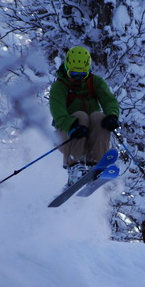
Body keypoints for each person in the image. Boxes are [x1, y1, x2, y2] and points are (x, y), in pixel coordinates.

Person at [49, 46, 120, 186]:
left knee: (99, 117)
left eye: (83, 74)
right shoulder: (59, 86)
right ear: (67, 69)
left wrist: (112, 116)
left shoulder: (95, 82)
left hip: (91, 137)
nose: (78, 78)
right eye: (74, 73)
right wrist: (71, 125)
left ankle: (96, 164)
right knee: (81, 117)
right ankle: (75, 166)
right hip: (66, 136)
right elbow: (57, 111)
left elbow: (109, 100)